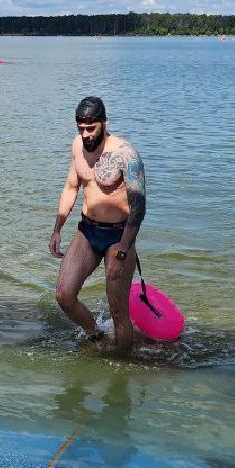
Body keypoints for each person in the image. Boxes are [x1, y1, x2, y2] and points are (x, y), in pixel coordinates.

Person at [48, 96, 147, 354]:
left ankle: (124, 363)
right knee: (64, 295)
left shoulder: (126, 155)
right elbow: (71, 187)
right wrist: (57, 229)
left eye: (91, 129)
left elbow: (138, 209)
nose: (86, 134)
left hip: (118, 236)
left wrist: (123, 251)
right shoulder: (77, 147)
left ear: (104, 123)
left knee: (118, 310)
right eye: (81, 129)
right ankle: (94, 334)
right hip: (88, 229)